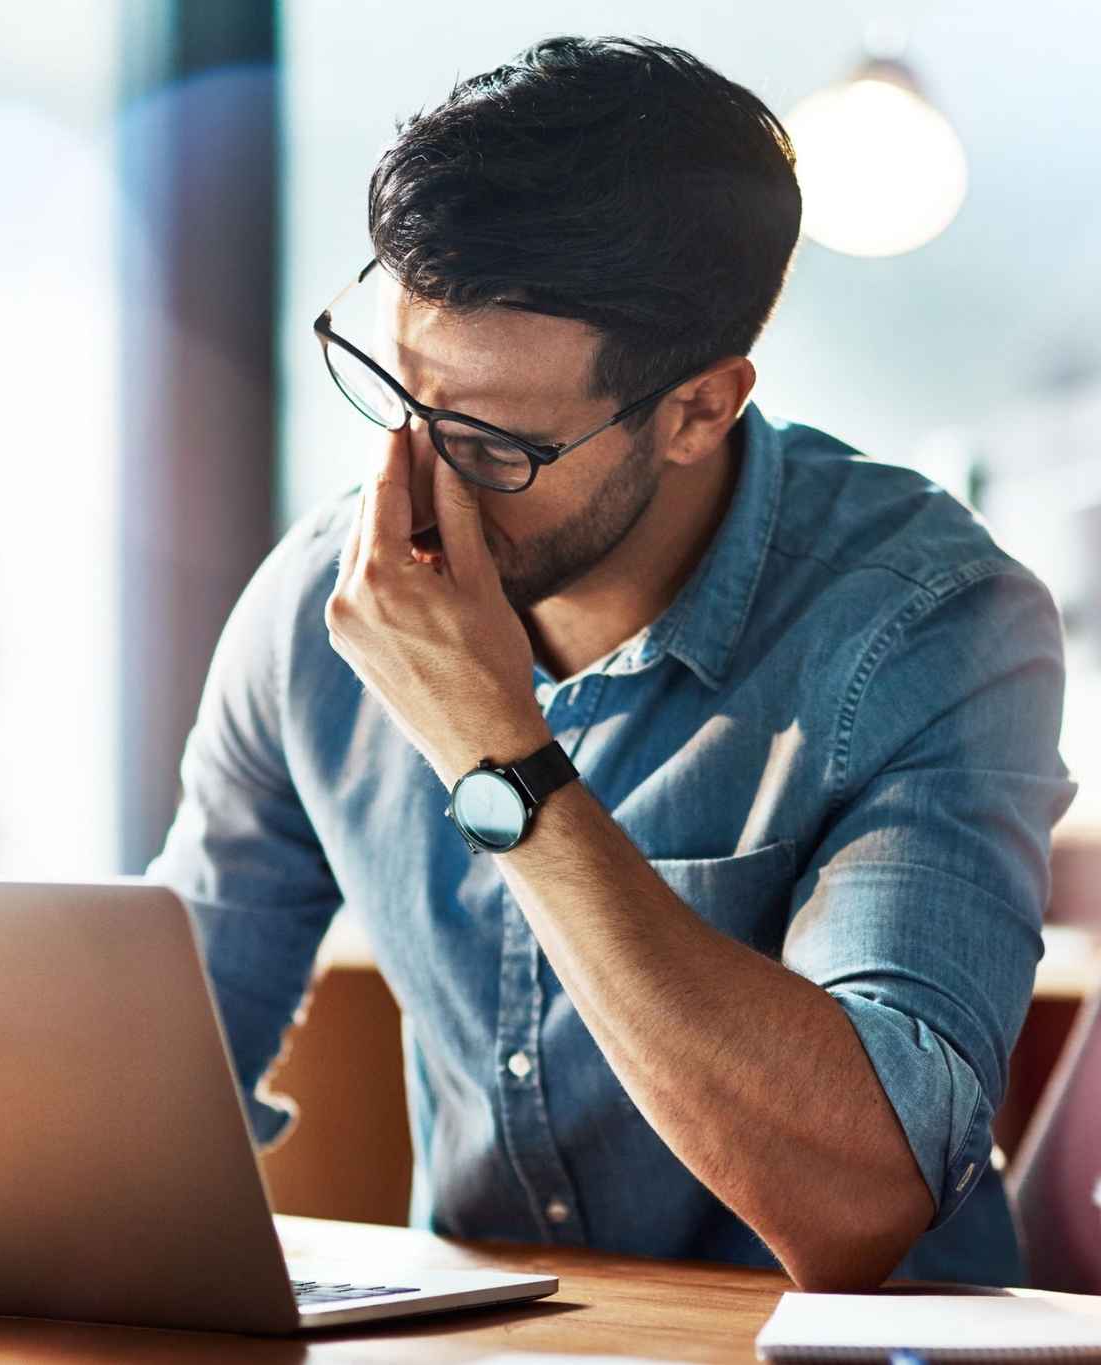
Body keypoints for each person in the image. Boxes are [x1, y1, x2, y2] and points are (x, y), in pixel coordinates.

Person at [146, 35, 1076, 1290]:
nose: (412, 484)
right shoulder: (324, 601)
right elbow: (158, 1065)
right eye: (391, 392)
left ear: (698, 408)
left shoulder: (930, 625)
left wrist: (498, 760)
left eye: (487, 441)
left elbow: (861, 1203)